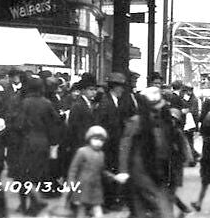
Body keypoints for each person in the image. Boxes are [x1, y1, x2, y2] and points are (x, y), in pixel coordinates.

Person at [9, 76, 62, 216]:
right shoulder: (46, 103)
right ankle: (34, 203)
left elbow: (17, 123)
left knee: (23, 174)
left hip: (26, 142)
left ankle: (24, 204)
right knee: (37, 175)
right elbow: (56, 120)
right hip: (42, 142)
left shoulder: (25, 102)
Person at [118, 86, 175, 218]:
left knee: (144, 207)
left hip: (156, 168)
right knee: (156, 204)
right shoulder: (137, 122)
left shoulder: (161, 122)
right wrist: (123, 170)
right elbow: (125, 145)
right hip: (141, 168)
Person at [66, 125, 125, 218]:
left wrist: (114, 177)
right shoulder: (82, 152)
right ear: (89, 138)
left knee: (97, 209)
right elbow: (73, 169)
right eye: (95, 139)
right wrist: (71, 184)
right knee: (81, 210)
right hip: (82, 186)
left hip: (96, 187)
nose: (98, 142)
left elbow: (102, 171)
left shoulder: (101, 154)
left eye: (101, 140)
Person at [96, 72, 130, 211]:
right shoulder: (106, 103)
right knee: (107, 172)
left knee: (112, 171)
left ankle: (111, 201)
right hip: (107, 145)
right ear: (114, 87)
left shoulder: (113, 101)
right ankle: (106, 203)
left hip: (113, 145)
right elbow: (101, 125)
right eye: (120, 86)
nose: (122, 89)